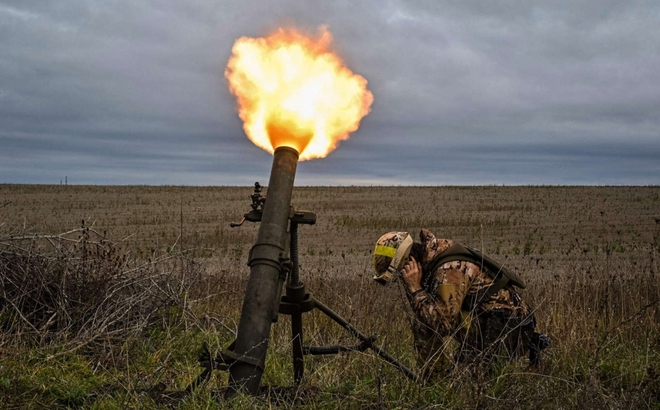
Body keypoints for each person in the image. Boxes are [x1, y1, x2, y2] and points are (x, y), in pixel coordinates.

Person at [372, 229, 549, 380]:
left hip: (506, 330)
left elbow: (442, 325)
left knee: (463, 386)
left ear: (409, 263)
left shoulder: (449, 270)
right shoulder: (433, 263)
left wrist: (415, 290)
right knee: (424, 321)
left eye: (399, 275)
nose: (400, 280)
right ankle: (435, 381)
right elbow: (427, 317)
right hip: (486, 326)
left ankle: (438, 382)